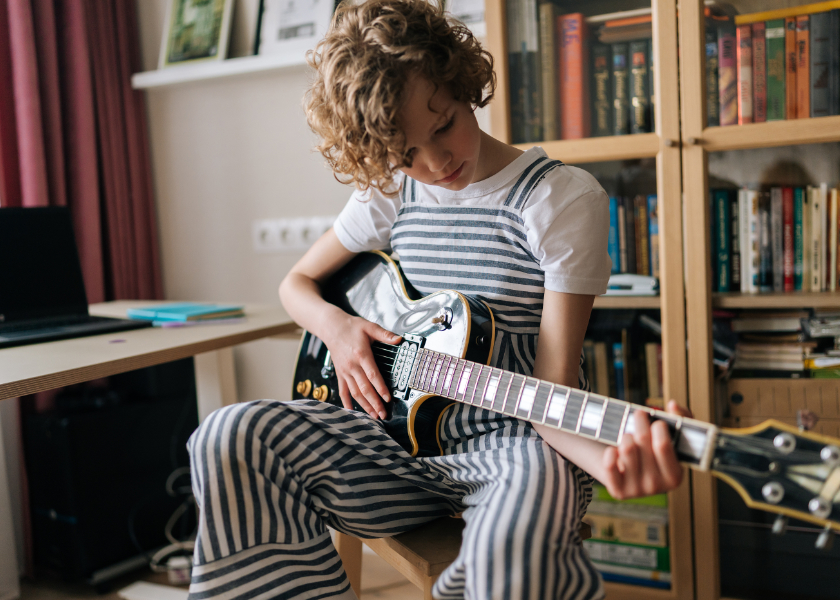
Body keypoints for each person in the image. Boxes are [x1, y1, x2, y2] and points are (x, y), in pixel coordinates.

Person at [186, 1, 690, 598]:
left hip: (516, 448)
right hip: (391, 452)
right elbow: (295, 286)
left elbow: (554, 387)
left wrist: (611, 464)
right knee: (228, 434)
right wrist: (339, 330)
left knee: (513, 561)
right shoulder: (392, 194)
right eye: (405, 155)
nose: (436, 162)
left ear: (460, 83)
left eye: (444, 124)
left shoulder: (557, 201)